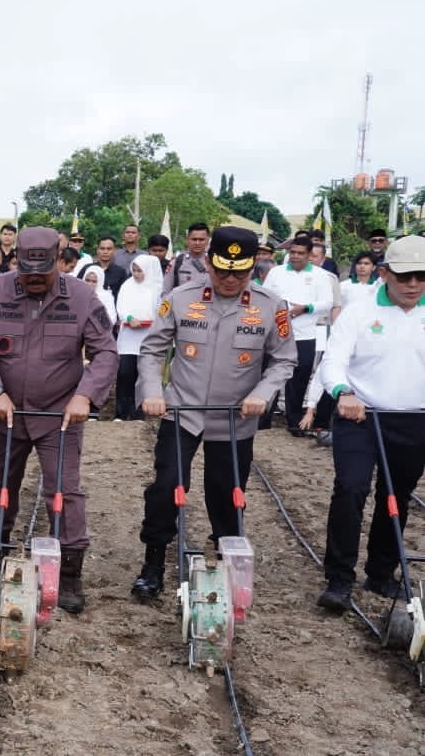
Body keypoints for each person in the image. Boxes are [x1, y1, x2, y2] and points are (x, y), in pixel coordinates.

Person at [129, 228, 296, 598]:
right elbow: (153, 349)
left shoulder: (272, 306)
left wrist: (263, 394)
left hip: (235, 418)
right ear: (208, 263)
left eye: (240, 272)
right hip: (182, 411)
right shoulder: (181, 298)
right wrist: (154, 392)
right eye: (222, 270)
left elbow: (284, 360)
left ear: (255, 267)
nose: (231, 279)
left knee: (226, 493)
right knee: (167, 486)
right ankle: (153, 562)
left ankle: (225, 558)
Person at [0, 226, 117, 613]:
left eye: (42, 272)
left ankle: (68, 573)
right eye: (26, 272)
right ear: (16, 260)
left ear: (59, 261)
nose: (33, 279)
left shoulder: (83, 297)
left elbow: (106, 353)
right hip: (4, 412)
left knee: (64, 492)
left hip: (59, 414)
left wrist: (85, 396)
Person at [315, 235, 425, 611]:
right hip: (360, 415)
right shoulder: (360, 311)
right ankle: (339, 576)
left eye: (421, 277)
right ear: (385, 273)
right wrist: (343, 392)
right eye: (404, 276)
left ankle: (381, 572)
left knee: (395, 495)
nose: (413, 285)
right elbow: (333, 361)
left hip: (413, 420)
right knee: (350, 488)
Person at [261, 234, 330, 435]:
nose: (295, 256)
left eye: (300, 253)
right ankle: (263, 418)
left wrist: (305, 308)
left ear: (309, 255)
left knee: (299, 378)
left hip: (305, 334)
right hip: (277, 332)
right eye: (292, 252)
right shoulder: (277, 273)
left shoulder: (320, 275)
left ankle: (293, 420)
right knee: (269, 372)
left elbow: (326, 303)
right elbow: (265, 297)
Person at [113, 254, 162, 421]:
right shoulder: (127, 285)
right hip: (128, 338)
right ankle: (120, 412)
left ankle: (138, 413)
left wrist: (149, 321)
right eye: (133, 270)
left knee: (143, 376)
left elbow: (160, 311)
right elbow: (121, 306)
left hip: (148, 338)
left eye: (139, 271)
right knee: (125, 373)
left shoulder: (156, 288)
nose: (136, 274)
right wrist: (128, 318)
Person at [164, 222, 211, 291]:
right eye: (194, 239)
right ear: (187, 240)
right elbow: (166, 291)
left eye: (201, 240)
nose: (197, 243)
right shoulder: (177, 262)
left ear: (207, 240)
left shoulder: (214, 263)